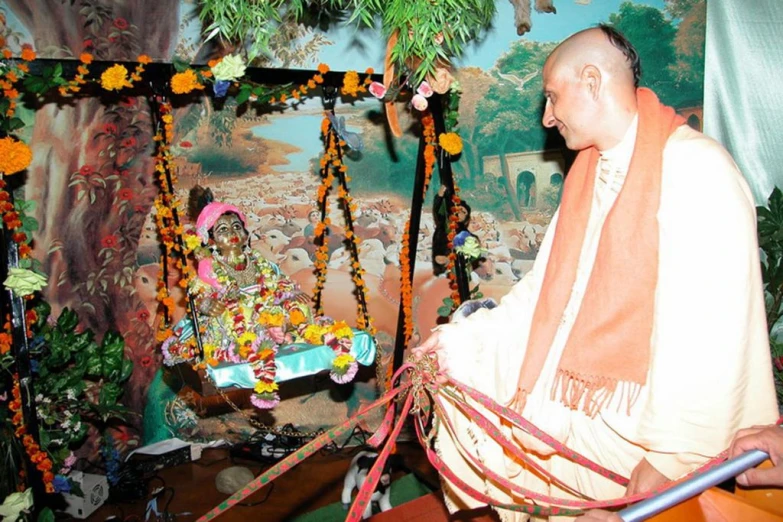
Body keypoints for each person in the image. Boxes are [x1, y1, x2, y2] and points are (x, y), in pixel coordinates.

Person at [412, 24, 779, 521]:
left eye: (551, 97)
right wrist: (460, 341)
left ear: (591, 81)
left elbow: (710, 336)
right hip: (580, 403)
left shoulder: (696, 169)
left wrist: (674, 458)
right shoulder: (591, 171)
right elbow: (544, 294)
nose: (546, 116)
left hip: (653, 429)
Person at [162, 187, 358, 410]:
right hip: (234, 320)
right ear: (211, 240)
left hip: (266, 310)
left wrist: (291, 294)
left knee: (296, 307)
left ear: (246, 234)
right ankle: (267, 342)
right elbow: (200, 299)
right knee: (237, 317)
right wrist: (209, 304)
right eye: (223, 230)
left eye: (237, 227)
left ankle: (295, 335)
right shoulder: (210, 269)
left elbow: (278, 281)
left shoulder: (259, 261)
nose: (232, 233)